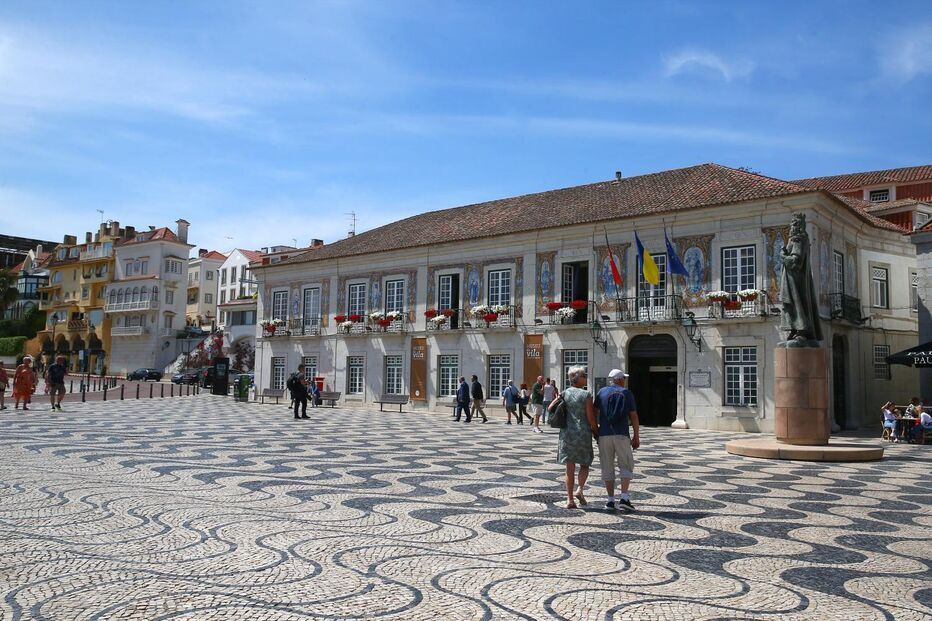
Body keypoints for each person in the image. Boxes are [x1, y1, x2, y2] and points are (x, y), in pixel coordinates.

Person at [594, 369, 640, 511]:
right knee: (625, 464)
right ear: (619, 379)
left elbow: (594, 412)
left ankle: (610, 500)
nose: (624, 381)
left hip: (604, 435)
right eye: (623, 379)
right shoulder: (626, 393)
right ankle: (624, 497)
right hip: (621, 434)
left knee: (607, 466)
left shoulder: (601, 392)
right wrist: (636, 435)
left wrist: (596, 431)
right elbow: (633, 415)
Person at [555, 366, 597, 509]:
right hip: (583, 434)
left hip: (567, 434)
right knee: (584, 464)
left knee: (569, 468)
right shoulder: (586, 395)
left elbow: (552, 408)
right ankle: (579, 489)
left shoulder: (564, 393)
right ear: (577, 378)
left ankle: (570, 499)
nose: (586, 377)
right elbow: (591, 417)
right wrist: (596, 430)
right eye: (584, 375)